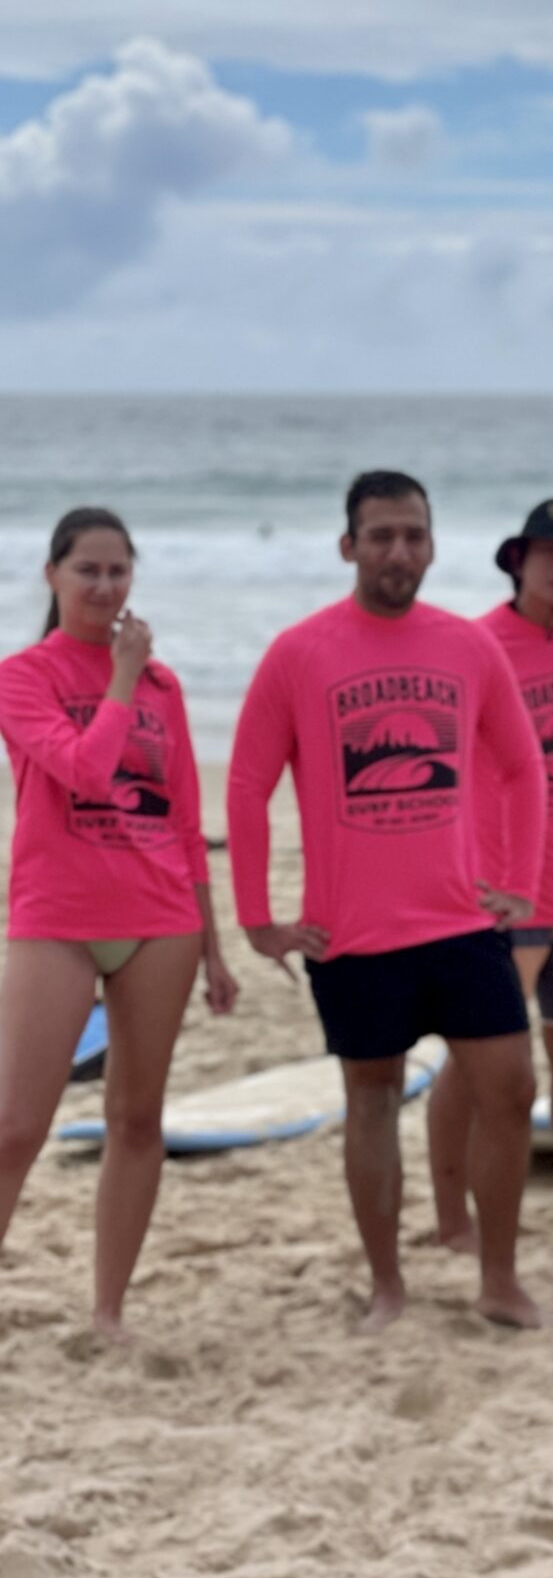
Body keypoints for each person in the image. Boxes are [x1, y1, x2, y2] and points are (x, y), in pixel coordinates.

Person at [227, 470, 548, 1332]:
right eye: (381, 536)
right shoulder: (299, 652)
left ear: (433, 545)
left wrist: (518, 880)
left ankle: (499, 1281)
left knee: (511, 1089)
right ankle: (387, 1287)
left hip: (459, 920)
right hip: (352, 933)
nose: (398, 551)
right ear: (349, 546)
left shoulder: (468, 646)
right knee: (369, 1101)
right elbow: (248, 784)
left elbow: (524, 766)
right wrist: (258, 918)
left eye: (413, 534)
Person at [0, 507, 238, 1337]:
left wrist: (213, 949)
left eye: (118, 571)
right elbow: (86, 773)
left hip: (160, 919)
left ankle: (108, 1311)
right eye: (87, 571)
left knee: (137, 1122)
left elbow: (183, 822)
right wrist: (123, 679)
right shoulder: (23, 675)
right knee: (16, 1126)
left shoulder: (165, 687)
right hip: (56, 918)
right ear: (53, 577)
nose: (105, 587)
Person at [428, 498, 553, 1255]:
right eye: (548, 551)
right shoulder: (474, 643)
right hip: (499, 890)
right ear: (518, 559)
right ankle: (451, 1217)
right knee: (474, 1061)